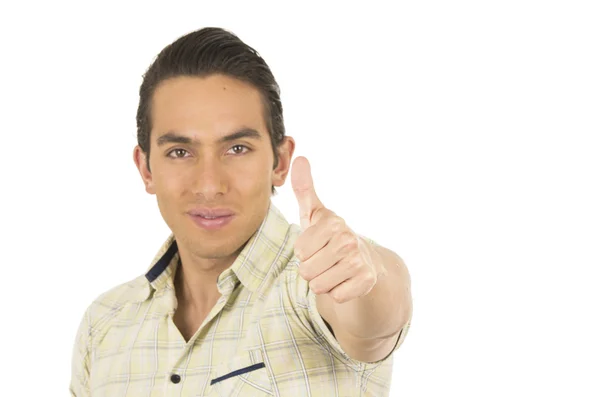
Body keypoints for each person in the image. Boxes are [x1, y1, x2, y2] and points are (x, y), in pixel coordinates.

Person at [69, 27, 412, 397]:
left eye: (237, 149)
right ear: (146, 169)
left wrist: (370, 273)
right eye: (180, 152)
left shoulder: (315, 279)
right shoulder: (103, 324)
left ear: (280, 161)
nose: (209, 185)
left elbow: (376, 317)